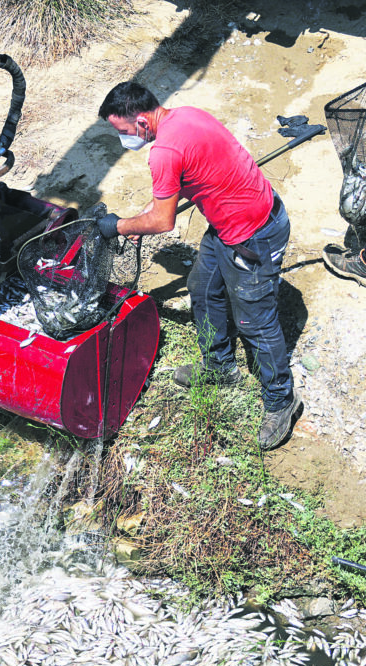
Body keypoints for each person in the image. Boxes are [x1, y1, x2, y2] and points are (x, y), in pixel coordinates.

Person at [95, 81, 302, 451]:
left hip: (254, 235)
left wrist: (119, 226)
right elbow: (174, 190)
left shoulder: (164, 151)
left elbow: (163, 222)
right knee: (203, 287)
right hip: (228, 224)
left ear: (141, 121)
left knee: (255, 321)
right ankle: (219, 366)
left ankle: (281, 401)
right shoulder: (186, 116)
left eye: (122, 131)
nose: (122, 139)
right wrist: (143, 214)